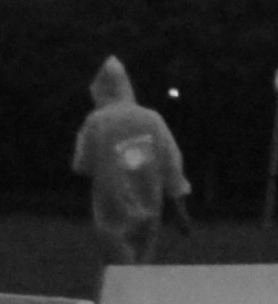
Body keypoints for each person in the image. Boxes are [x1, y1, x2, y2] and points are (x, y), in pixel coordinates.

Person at [73, 57, 192, 264]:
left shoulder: (96, 122)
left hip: (111, 212)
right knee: (141, 273)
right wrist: (180, 211)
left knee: (118, 274)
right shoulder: (152, 119)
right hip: (150, 208)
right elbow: (171, 162)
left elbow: (82, 164)